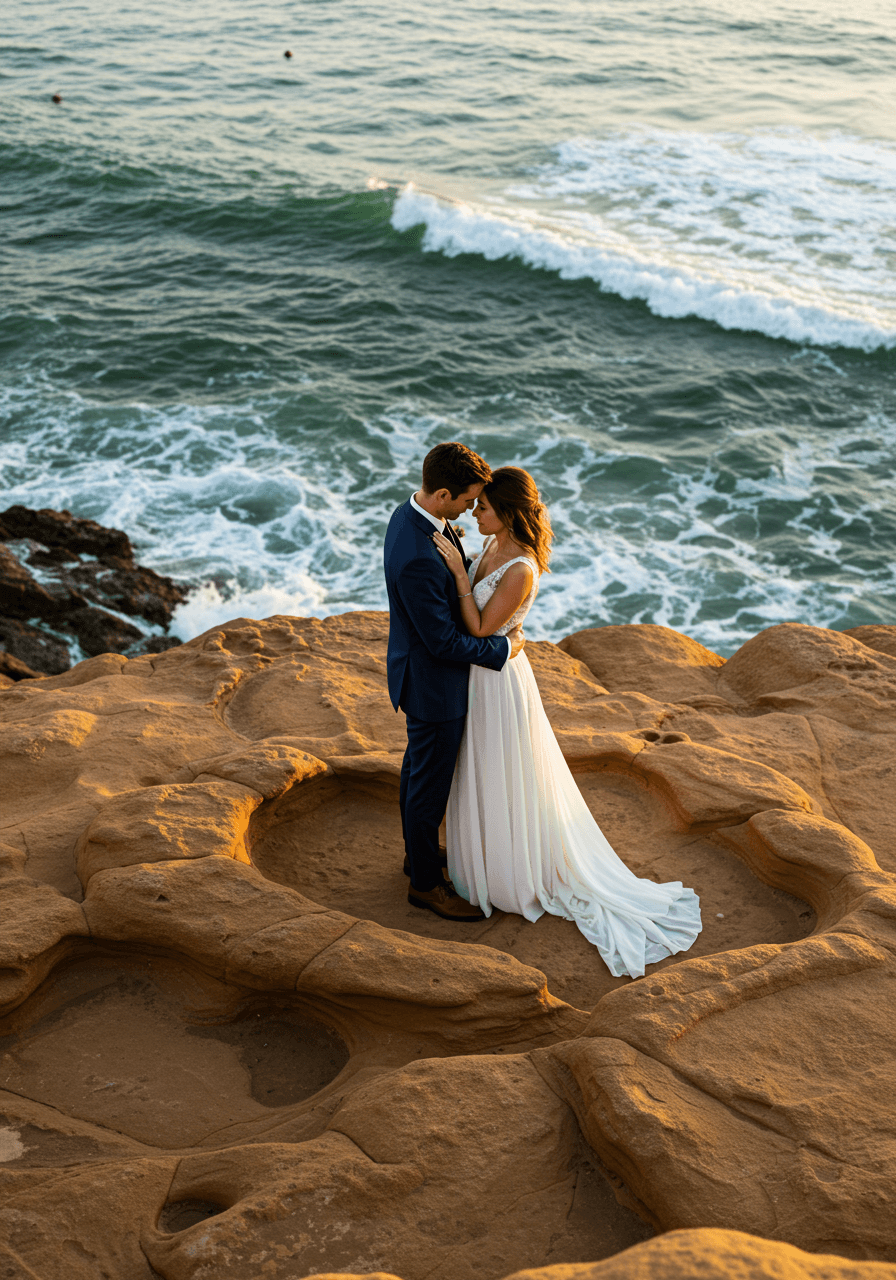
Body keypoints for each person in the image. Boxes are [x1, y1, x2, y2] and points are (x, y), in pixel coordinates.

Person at [432, 465, 702, 978]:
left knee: (501, 771)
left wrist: (453, 573)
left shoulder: (520, 569)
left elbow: (484, 629)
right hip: (477, 675)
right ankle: (480, 865)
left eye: (483, 508)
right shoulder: (489, 547)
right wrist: (460, 557)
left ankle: (510, 873)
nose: (475, 512)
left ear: (507, 514)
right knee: (477, 769)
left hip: (497, 680)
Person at [384, 442, 525, 922]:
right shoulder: (421, 556)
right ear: (443, 493)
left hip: (415, 670)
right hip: (434, 684)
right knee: (429, 785)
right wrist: (504, 649)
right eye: (468, 500)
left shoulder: (411, 517)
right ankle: (424, 884)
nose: (472, 508)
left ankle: (415, 856)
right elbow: (445, 643)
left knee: (415, 773)